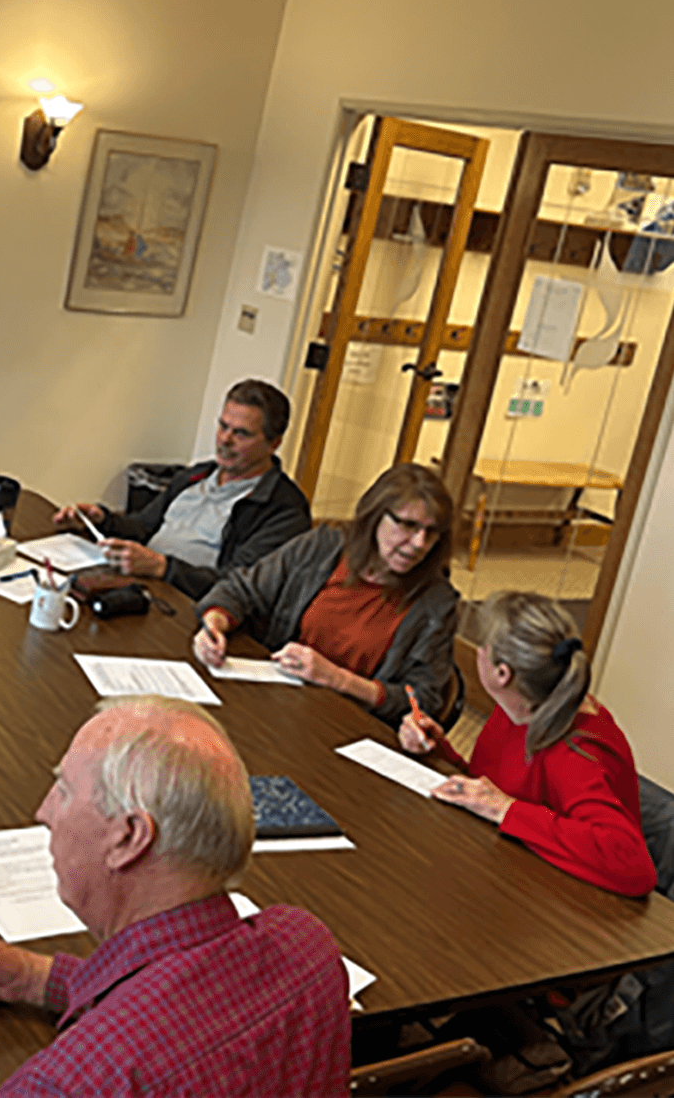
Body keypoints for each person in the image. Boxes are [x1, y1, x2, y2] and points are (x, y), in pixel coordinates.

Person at [0, 697, 350, 1098]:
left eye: (64, 791)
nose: (43, 811)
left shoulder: (66, 1084)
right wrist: (36, 978)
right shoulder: (310, 948)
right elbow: (186, 1005)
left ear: (128, 837)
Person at [401, 591, 656, 898]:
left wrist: (506, 809)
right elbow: (495, 787)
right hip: (504, 870)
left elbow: (632, 864)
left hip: (556, 902)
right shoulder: (522, 704)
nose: (479, 652)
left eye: (484, 647)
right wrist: (438, 750)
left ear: (502, 673)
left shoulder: (577, 752)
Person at [194, 463, 459, 726]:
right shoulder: (324, 547)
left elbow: (422, 699)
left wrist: (338, 679)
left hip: (346, 726)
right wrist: (214, 625)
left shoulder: (436, 601)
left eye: (431, 532)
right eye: (409, 525)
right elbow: (241, 589)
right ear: (375, 516)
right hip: (276, 700)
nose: (419, 543)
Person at [52, 379, 311, 600]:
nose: (225, 440)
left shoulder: (284, 510)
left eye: (241, 434)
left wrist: (162, 567)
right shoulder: (196, 475)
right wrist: (101, 520)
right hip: (140, 586)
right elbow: (144, 526)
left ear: (273, 444)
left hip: (188, 606)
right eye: (223, 426)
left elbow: (241, 585)